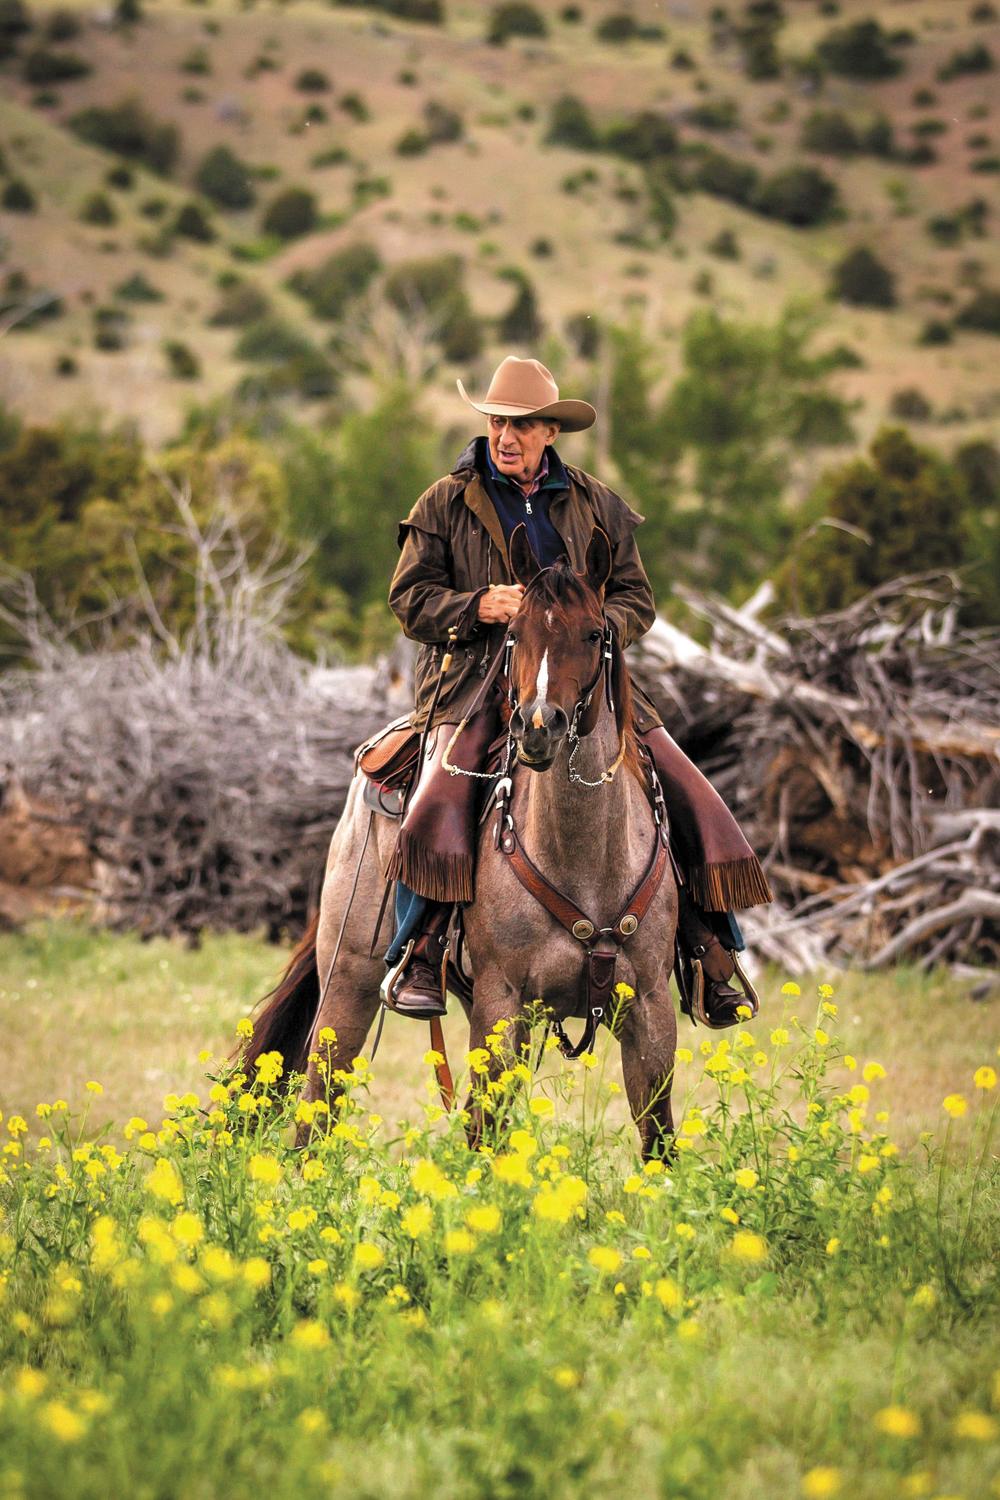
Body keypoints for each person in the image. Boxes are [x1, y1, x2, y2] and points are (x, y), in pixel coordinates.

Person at [379, 356, 772, 1023]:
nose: (508, 436)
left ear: (550, 432)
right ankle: (420, 949)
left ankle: (711, 951)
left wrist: (590, 630)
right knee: (438, 796)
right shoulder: (444, 502)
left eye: (524, 425)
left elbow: (636, 598)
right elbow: (409, 599)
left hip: (585, 682)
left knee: (688, 791)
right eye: (500, 422)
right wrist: (479, 607)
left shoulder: (593, 502)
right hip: (473, 682)